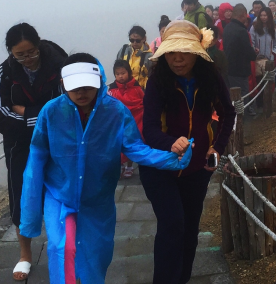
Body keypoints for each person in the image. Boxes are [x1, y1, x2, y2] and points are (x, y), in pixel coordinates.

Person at [20, 53, 191, 284]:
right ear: (63, 85)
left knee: (96, 256)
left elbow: (135, 148)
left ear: (99, 81)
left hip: (97, 200)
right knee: (63, 250)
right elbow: (36, 160)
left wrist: (171, 157)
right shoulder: (51, 112)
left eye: (88, 86)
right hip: (59, 195)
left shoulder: (115, 112)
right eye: (75, 87)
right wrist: (29, 217)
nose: (81, 93)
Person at [142, 22, 236, 284]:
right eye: (171, 52)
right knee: (172, 224)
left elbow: (228, 113)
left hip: (196, 169)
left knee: (190, 230)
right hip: (160, 166)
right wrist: (170, 142)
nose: (178, 58)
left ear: (198, 52)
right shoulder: (157, 80)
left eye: (185, 51)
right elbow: (149, 128)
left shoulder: (210, 78)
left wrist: (216, 146)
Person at [0, 23, 67, 281]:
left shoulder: (59, 63)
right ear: (10, 52)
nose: (27, 59)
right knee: (21, 194)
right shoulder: (4, 73)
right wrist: (41, 115)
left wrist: (26, 112)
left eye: (31, 52)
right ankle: (25, 255)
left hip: (59, 139)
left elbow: (68, 102)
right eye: (19, 55)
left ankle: (67, 247)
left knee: (64, 191)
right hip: (19, 145)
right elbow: (0, 114)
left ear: (39, 44)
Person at [108, 60, 145, 179]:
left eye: (123, 73)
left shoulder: (136, 87)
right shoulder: (112, 89)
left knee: (132, 142)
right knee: (119, 142)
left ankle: (130, 166)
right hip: (119, 121)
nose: (120, 76)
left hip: (135, 120)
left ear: (128, 73)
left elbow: (143, 102)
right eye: (117, 74)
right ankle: (121, 165)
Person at [222, 3, 257, 102]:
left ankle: (235, 116)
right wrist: (254, 54)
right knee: (242, 96)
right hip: (240, 70)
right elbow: (247, 51)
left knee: (232, 96)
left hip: (229, 68)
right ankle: (242, 117)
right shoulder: (241, 31)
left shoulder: (227, 28)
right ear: (242, 15)